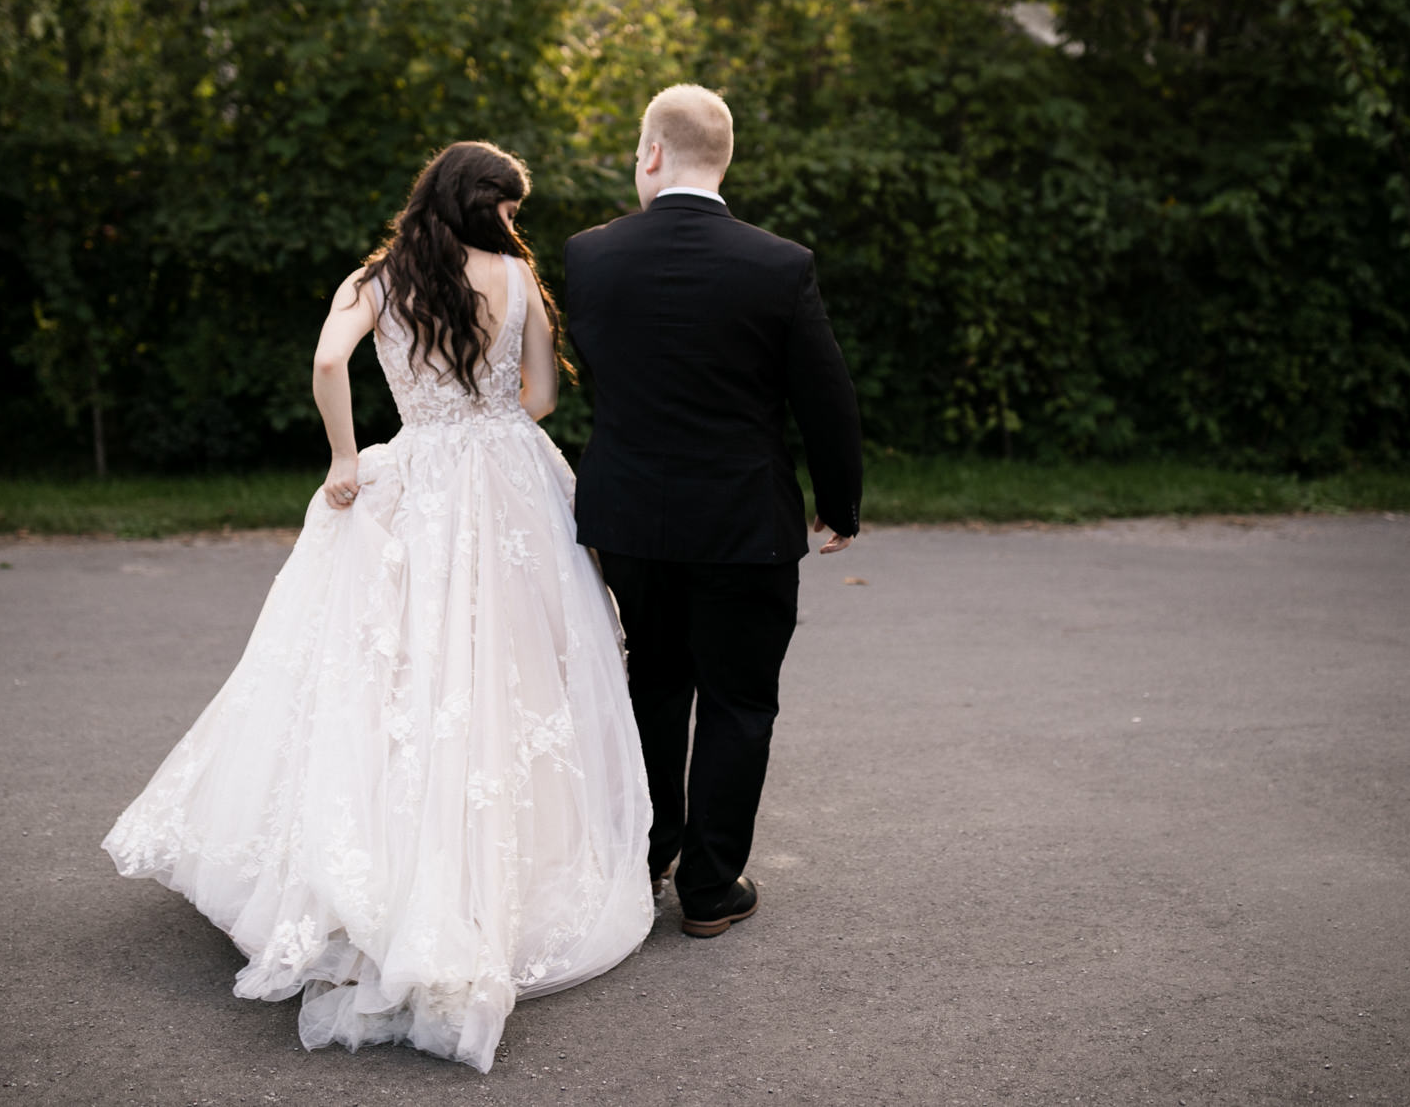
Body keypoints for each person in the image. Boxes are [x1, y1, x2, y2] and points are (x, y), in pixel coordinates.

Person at [102, 142, 654, 1074]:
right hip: (510, 473)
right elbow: (543, 396)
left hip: (422, 472)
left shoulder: (378, 277)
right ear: (491, 207)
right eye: (510, 207)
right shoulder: (518, 276)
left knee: (397, 660)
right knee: (523, 659)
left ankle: (386, 846)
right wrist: (489, 415)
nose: (515, 223)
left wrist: (347, 456)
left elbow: (327, 362)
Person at [564, 84, 863, 939]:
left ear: (652, 152)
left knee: (652, 683)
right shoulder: (777, 263)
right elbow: (826, 398)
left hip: (627, 520)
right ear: (722, 158)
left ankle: (646, 853)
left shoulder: (589, 256)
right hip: (741, 523)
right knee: (738, 699)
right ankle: (709, 885)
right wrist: (839, 503)